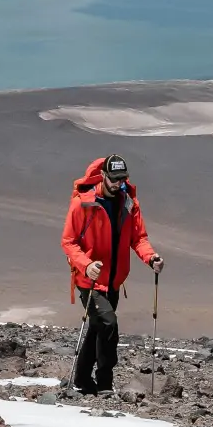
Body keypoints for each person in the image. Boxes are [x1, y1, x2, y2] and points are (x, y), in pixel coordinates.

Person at [61, 153, 163, 394]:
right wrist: (86, 264)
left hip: (114, 280)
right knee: (108, 323)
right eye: (115, 179)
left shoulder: (129, 203)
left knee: (98, 327)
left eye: (123, 179)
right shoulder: (83, 203)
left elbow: (138, 238)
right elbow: (69, 241)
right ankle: (105, 382)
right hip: (89, 279)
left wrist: (151, 258)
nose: (119, 184)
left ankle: (82, 379)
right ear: (103, 176)